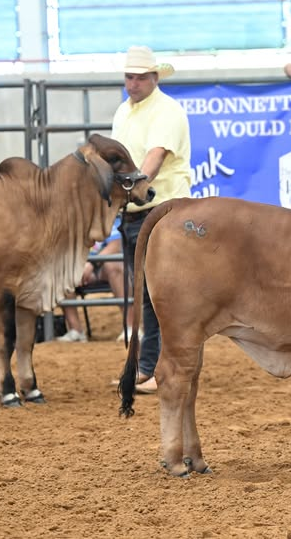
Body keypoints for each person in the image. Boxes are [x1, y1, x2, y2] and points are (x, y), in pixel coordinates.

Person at [112, 46, 192, 393]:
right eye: (129, 77)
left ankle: (158, 368)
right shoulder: (123, 112)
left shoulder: (167, 110)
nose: (134, 83)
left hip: (163, 212)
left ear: (154, 78)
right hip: (135, 212)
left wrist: (128, 189)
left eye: (141, 77)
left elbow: (154, 159)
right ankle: (150, 367)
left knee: (160, 293)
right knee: (147, 293)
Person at [57, 221, 137, 343]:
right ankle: (75, 330)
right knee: (61, 272)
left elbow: (115, 246)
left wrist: (91, 264)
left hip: (103, 266)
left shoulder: (107, 217)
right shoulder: (70, 219)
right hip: (77, 268)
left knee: (114, 267)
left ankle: (131, 328)